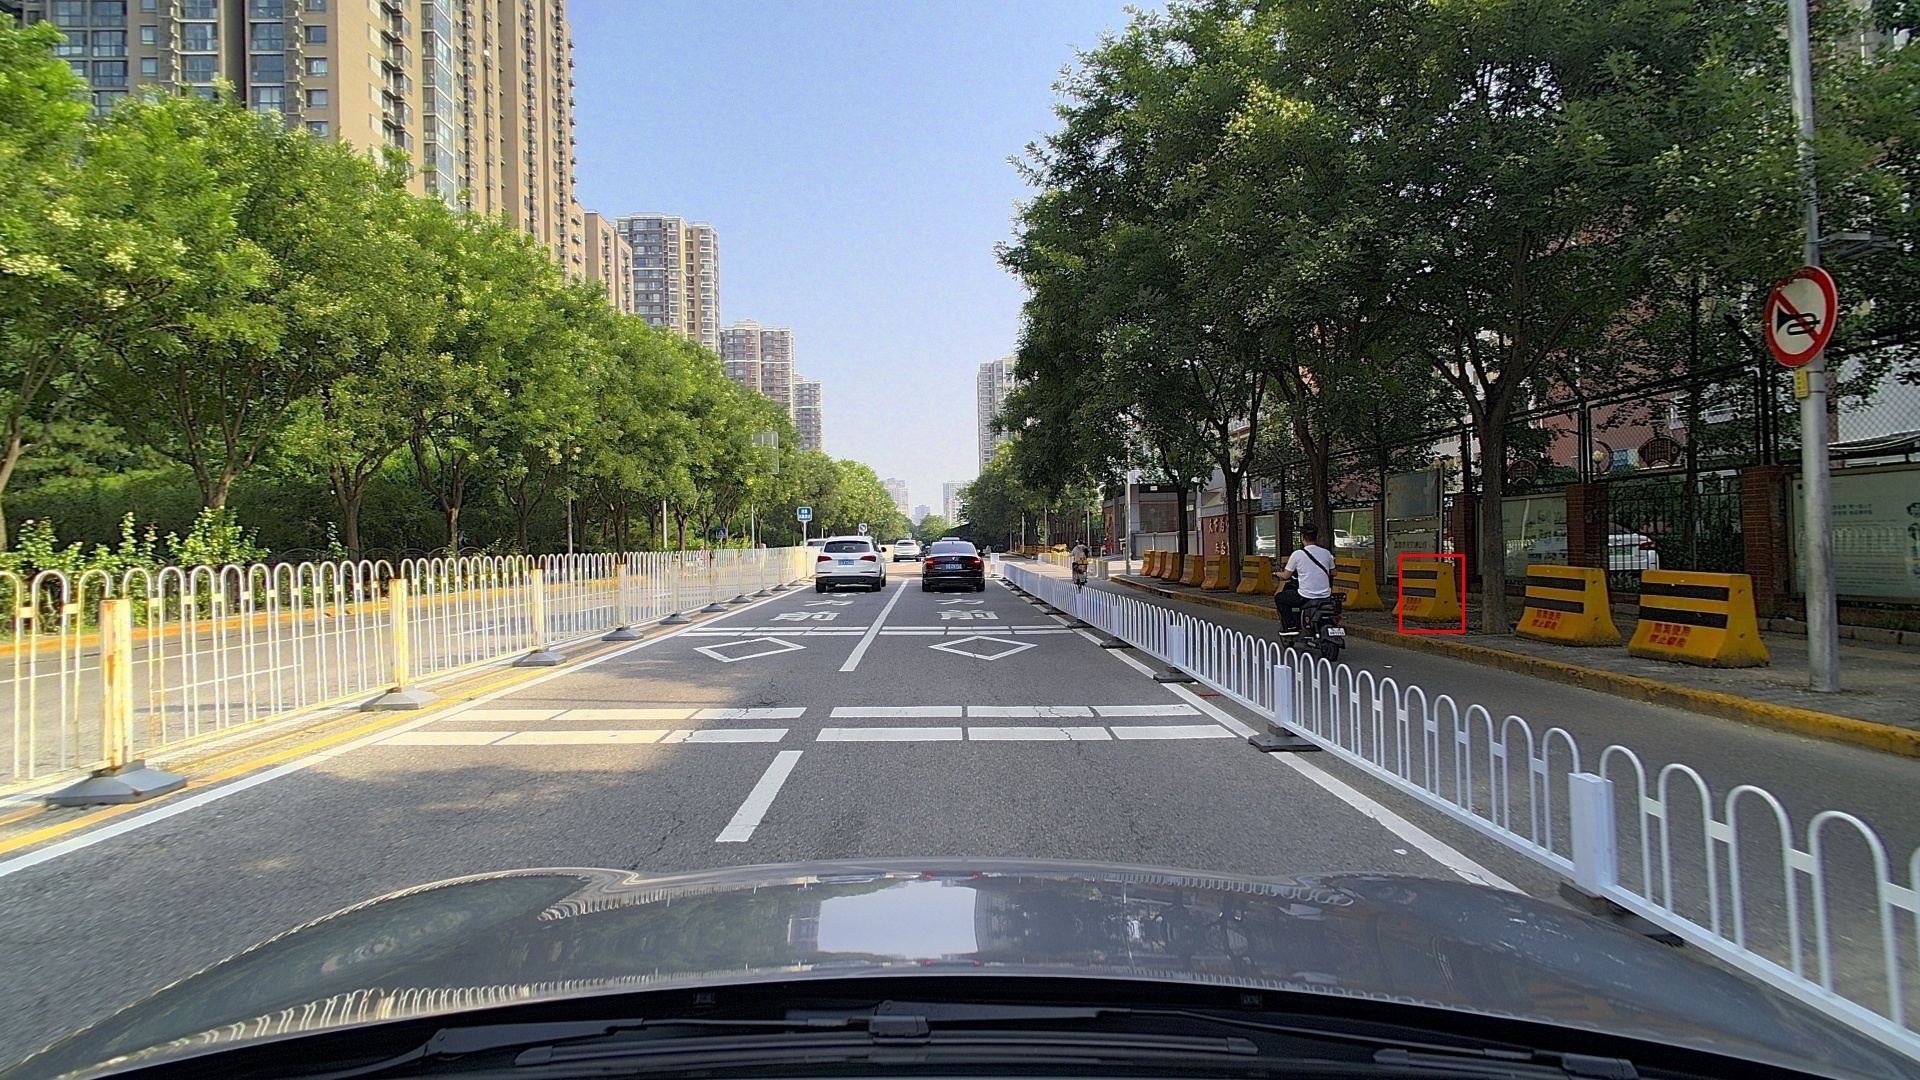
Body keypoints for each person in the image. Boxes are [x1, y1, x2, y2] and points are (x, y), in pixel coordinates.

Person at [1274, 524, 1335, 633]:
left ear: (1302, 537)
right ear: (1316, 537)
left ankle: (1291, 626)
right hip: (1325, 596)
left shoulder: (1297, 554)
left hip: (1306, 596)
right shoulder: (1326, 553)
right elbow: (1334, 573)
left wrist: (1277, 573)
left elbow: (1286, 575)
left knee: (1280, 598)